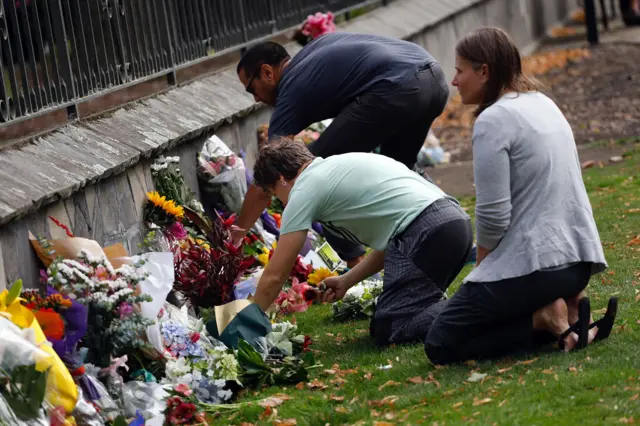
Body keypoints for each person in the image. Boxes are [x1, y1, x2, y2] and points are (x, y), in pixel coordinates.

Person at [424, 27, 616, 365]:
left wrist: (482, 270)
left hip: (536, 268)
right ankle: (565, 314)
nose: (454, 81)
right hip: (577, 263)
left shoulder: (493, 120)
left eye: (459, 70)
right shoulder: (542, 103)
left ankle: (544, 319)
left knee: (441, 342)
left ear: (484, 71)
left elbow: (494, 214)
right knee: (491, 308)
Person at [232, 33, 450, 268]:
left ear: (267, 72)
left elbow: (269, 171)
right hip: (434, 78)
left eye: (252, 89)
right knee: (400, 168)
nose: (255, 99)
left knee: (313, 171)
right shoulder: (311, 55)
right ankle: (450, 232)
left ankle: (355, 262)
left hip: (398, 87)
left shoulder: (292, 87)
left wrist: (238, 232)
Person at [250, 138, 473, 347]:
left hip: (427, 233)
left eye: (273, 193)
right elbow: (395, 242)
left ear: (281, 179)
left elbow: (276, 274)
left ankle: (482, 306)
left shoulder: (303, 189)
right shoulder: (343, 164)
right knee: (405, 311)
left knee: (391, 327)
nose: (279, 200)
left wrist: (249, 324)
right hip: (455, 223)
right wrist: (347, 280)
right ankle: (479, 304)